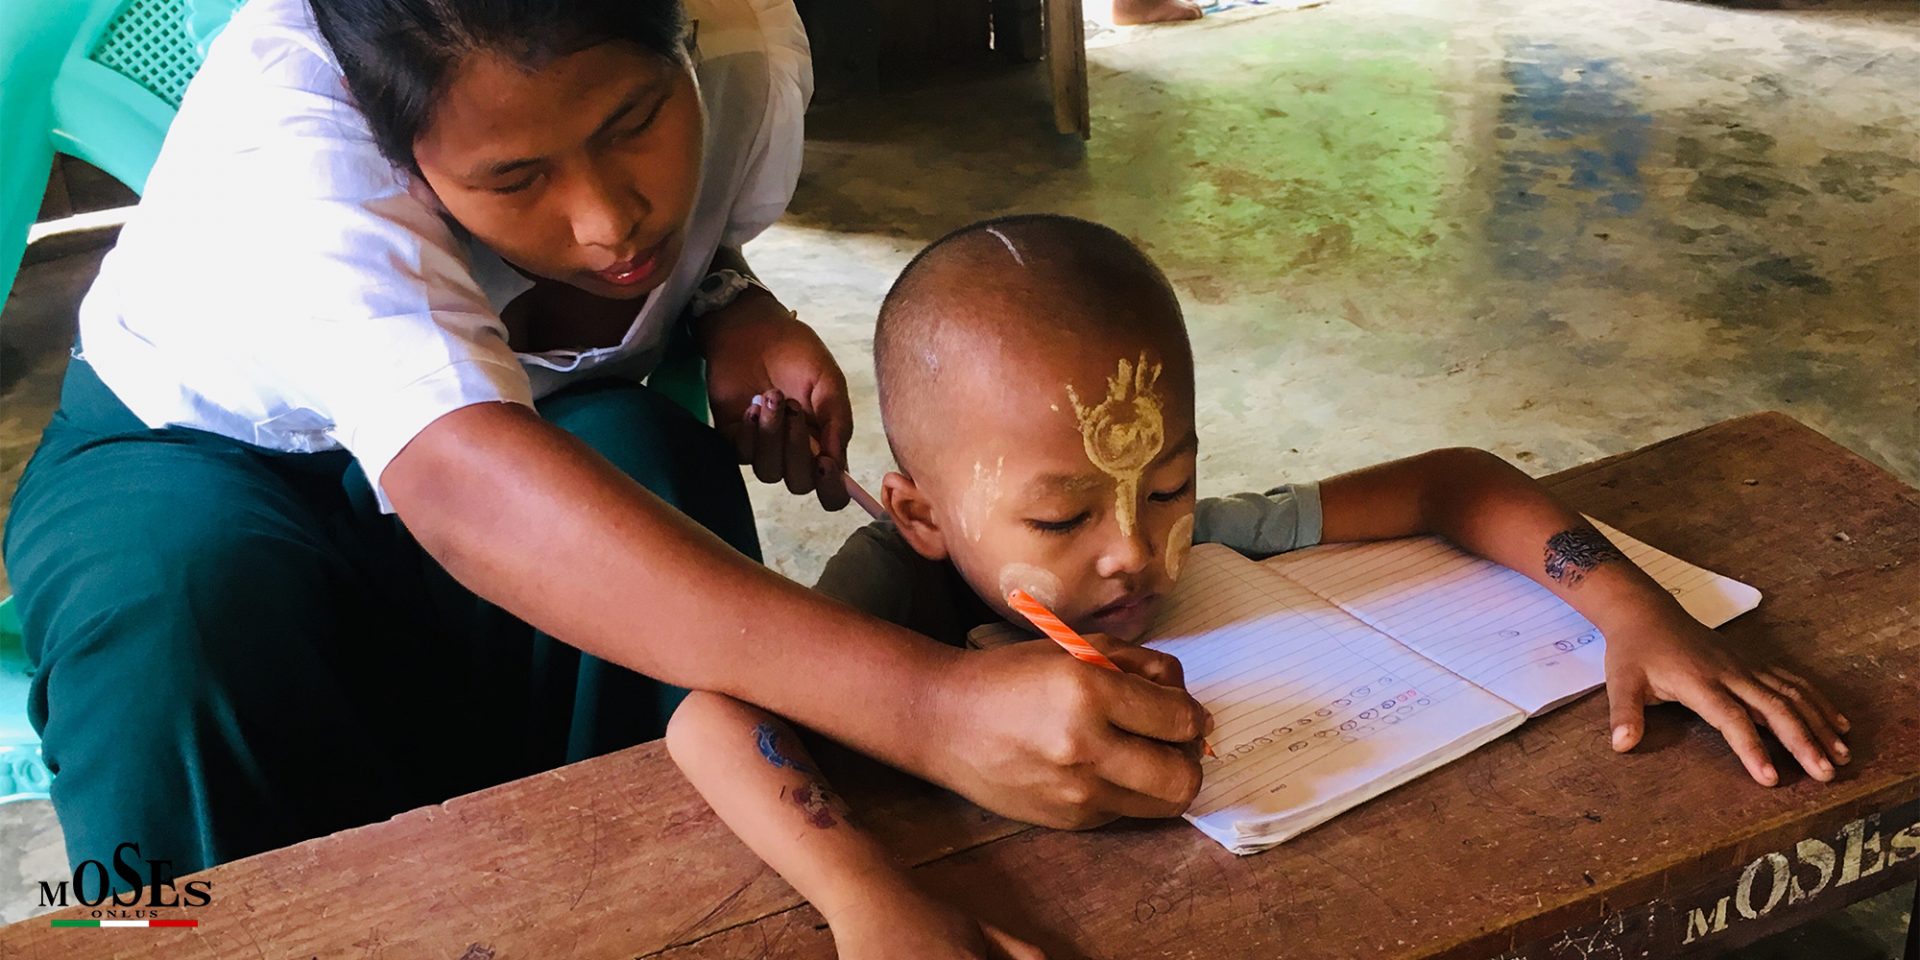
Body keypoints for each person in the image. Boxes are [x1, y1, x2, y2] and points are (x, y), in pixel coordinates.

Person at [1, 2, 1207, 880]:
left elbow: (673, 262)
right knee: (179, 615)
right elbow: (467, 484)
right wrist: (933, 710)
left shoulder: (744, 49)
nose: (608, 220)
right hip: (197, 454)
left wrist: (726, 299)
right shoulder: (298, 149)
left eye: (635, 120)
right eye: (515, 176)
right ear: (398, 145)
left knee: (648, 459)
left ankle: (654, 898)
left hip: (515, 432)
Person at [666, 214, 1852, 958]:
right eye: (1063, 518)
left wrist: (1633, 610)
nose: (1134, 550)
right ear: (921, 511)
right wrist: (867, 900)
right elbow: (712, 719)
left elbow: (1455, 480)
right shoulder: (888, 596)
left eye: (1170, 485)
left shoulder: (1219, 542)